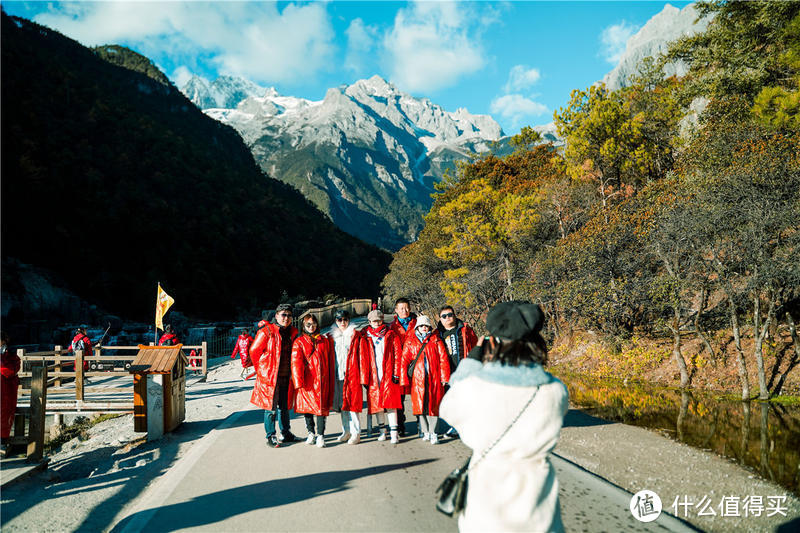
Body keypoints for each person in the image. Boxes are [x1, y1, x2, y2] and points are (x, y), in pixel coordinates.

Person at [439, 301, 569, 532]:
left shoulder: (473, 387)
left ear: (493, 343)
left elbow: (447, 408)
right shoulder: (555, 390)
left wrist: (473, 358)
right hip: (538, 507)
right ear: (536, 343)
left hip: (486, 504)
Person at [249, 304, 299, 448]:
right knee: (270, 408)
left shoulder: (293, 332)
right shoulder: (266, 332)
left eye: (289, 315)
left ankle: (286, 433)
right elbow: (254, 351)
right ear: (276, 316)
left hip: (286, 375)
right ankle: (271, 435)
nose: (286, 318)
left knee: (284, 407)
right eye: (283, 315)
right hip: (270, 377)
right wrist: (261, 371)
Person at [400, 315, 450, 444]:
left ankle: (434, 433)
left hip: (434, 378)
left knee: (433, 406)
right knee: (420, 407)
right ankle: (425, 431)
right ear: (417, 327)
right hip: (418, 379)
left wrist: (445, 377)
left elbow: (443, 359)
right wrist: (403, 379)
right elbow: (404, 361)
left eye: (426, 326)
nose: (424, 328)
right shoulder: (410, 341)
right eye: (421, 326)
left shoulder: (435, 340)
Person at [359, 309, 403, 444]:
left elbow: (397, 354)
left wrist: (396, 373)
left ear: (382, 320)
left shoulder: (391, 335)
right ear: (369, 322)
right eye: (374, 321)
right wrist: (364, 377)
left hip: (388, 372)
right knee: (377, 404)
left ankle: (394, 432)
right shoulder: (365, 336)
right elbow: (362, 358)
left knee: (391, 403)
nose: (377, 323)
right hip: (373, 373)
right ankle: (383, 431)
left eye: (379, 320)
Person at [292, 315, 335, 448]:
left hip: (322, 380)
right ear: (303, 326)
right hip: (307, 380)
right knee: (308, 409)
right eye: (308, 325)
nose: (311, 327)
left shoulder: (324, 340)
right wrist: (298, 381)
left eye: (314, 324)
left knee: (321, 409)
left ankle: (320, 435)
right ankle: (311, 432)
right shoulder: (299, 342)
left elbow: (330, 359)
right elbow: (295, 362)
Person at [436, 305, 478, 438]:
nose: (448, 318)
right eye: (444, 316)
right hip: (447, 374)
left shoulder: (464, 330)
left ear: (454, 315)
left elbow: (476, 347)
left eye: (450, 315)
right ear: (440, 319)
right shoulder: (437, 335)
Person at [328, 310, 363, 445]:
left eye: (345, 319)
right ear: (335, 321)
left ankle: (356, 432)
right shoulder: (331, 337)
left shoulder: (355, 335)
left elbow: (361, 356)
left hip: (352, 375)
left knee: (353, 405)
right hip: (338, 374)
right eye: (339, 320)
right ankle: (346, 430)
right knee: (342, 405)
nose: (342, 322)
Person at [388, 298, 416, 436]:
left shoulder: (417, 323)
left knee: (418, 395)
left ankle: (421, 423)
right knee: (399, 398)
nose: (404, 311)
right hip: (398, 366)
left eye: (406, 308)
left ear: (410, 309)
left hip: (415, 364)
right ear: (396, 310)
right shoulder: (392, 327)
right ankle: (400, 425)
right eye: (401, 308)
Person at [1, 332, 20, 457]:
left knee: (4, 415)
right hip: (7, 391)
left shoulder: (9, 356)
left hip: (6, 391)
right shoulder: (10, 356)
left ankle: (3, 443)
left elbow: (8, 371)